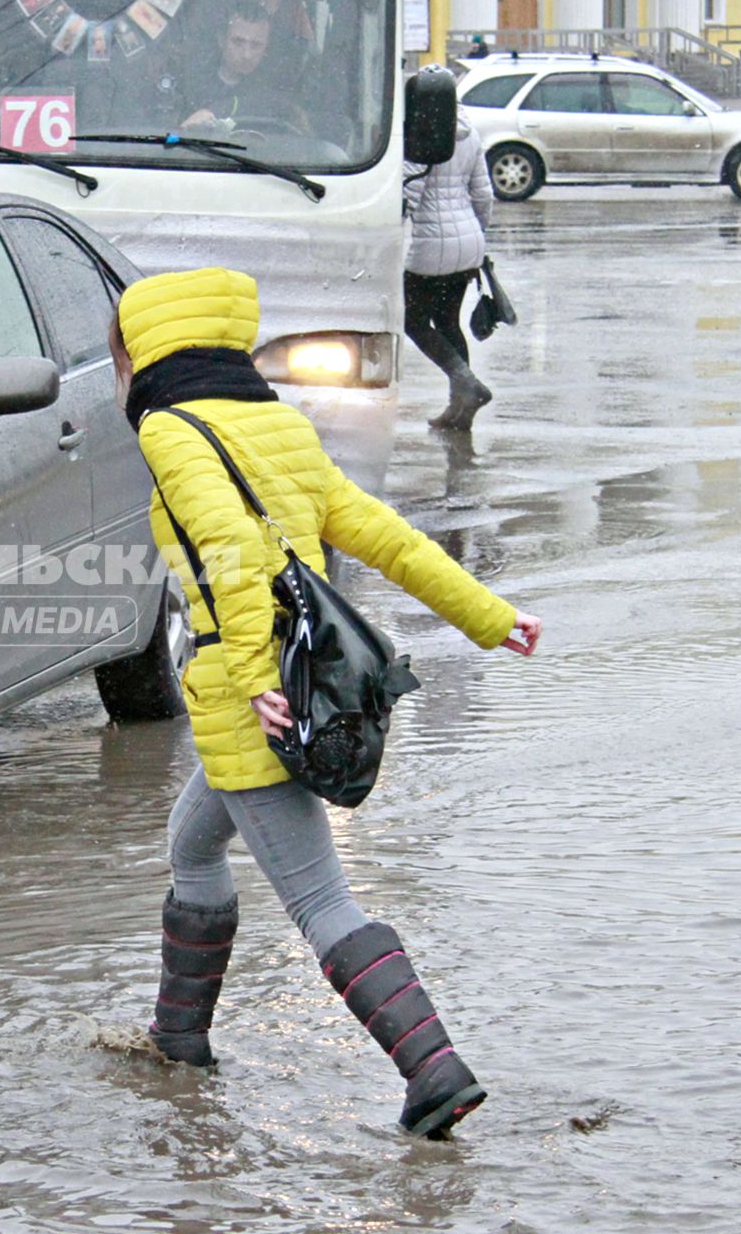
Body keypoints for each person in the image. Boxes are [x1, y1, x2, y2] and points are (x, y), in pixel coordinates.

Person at [109, 267, 542, 1139]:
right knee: (191, 845)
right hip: (293, 679)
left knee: (319, 901)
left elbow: (227, 550)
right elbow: (379, 532)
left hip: (256, 692)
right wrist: (490, 615)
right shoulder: (275, 422)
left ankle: (433, 1072)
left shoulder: (168, 429)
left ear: (146, 351)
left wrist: (253, 681)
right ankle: (178, 1042)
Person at [404, 88, 496, 431]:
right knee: (446, 321)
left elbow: (408, 196)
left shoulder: (419, 135)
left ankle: (466, 384)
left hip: (431, 246)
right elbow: (483, 195)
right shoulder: (469, 133)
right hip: (469, 241)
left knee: (412, 320)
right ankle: (460, 406)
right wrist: (477, 234)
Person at [180, 0, 303, 132]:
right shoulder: (191, 86)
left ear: (266, 48)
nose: (246, 54)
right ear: (221, 40)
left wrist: (213, 112)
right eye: (238, 42)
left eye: (256, 45)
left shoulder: (276, 92)